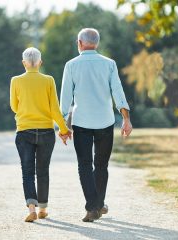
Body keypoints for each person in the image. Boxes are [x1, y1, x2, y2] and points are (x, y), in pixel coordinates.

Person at [60, 28, 133, 222]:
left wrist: (62, 126)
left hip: (81, 122)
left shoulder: (71, 65)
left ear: (79, 43)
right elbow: (118, 92)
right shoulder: (109, 64)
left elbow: (65, 99)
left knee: (84, 165)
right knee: (101, 165)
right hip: (105, 122)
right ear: (97, 44)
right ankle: (97, 205)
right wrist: (126, 118)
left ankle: (93, 207)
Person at [10, 47, 72, 222]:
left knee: (27, 171)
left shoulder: (15, 81)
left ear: (24, 63)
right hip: (46, 132)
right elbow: (54, 109)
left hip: (24, 131)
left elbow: (14, 106)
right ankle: (43, 209)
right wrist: (64, 129)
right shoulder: (49, 80)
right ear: (40, 63)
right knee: (43, 171)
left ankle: (31, 208)